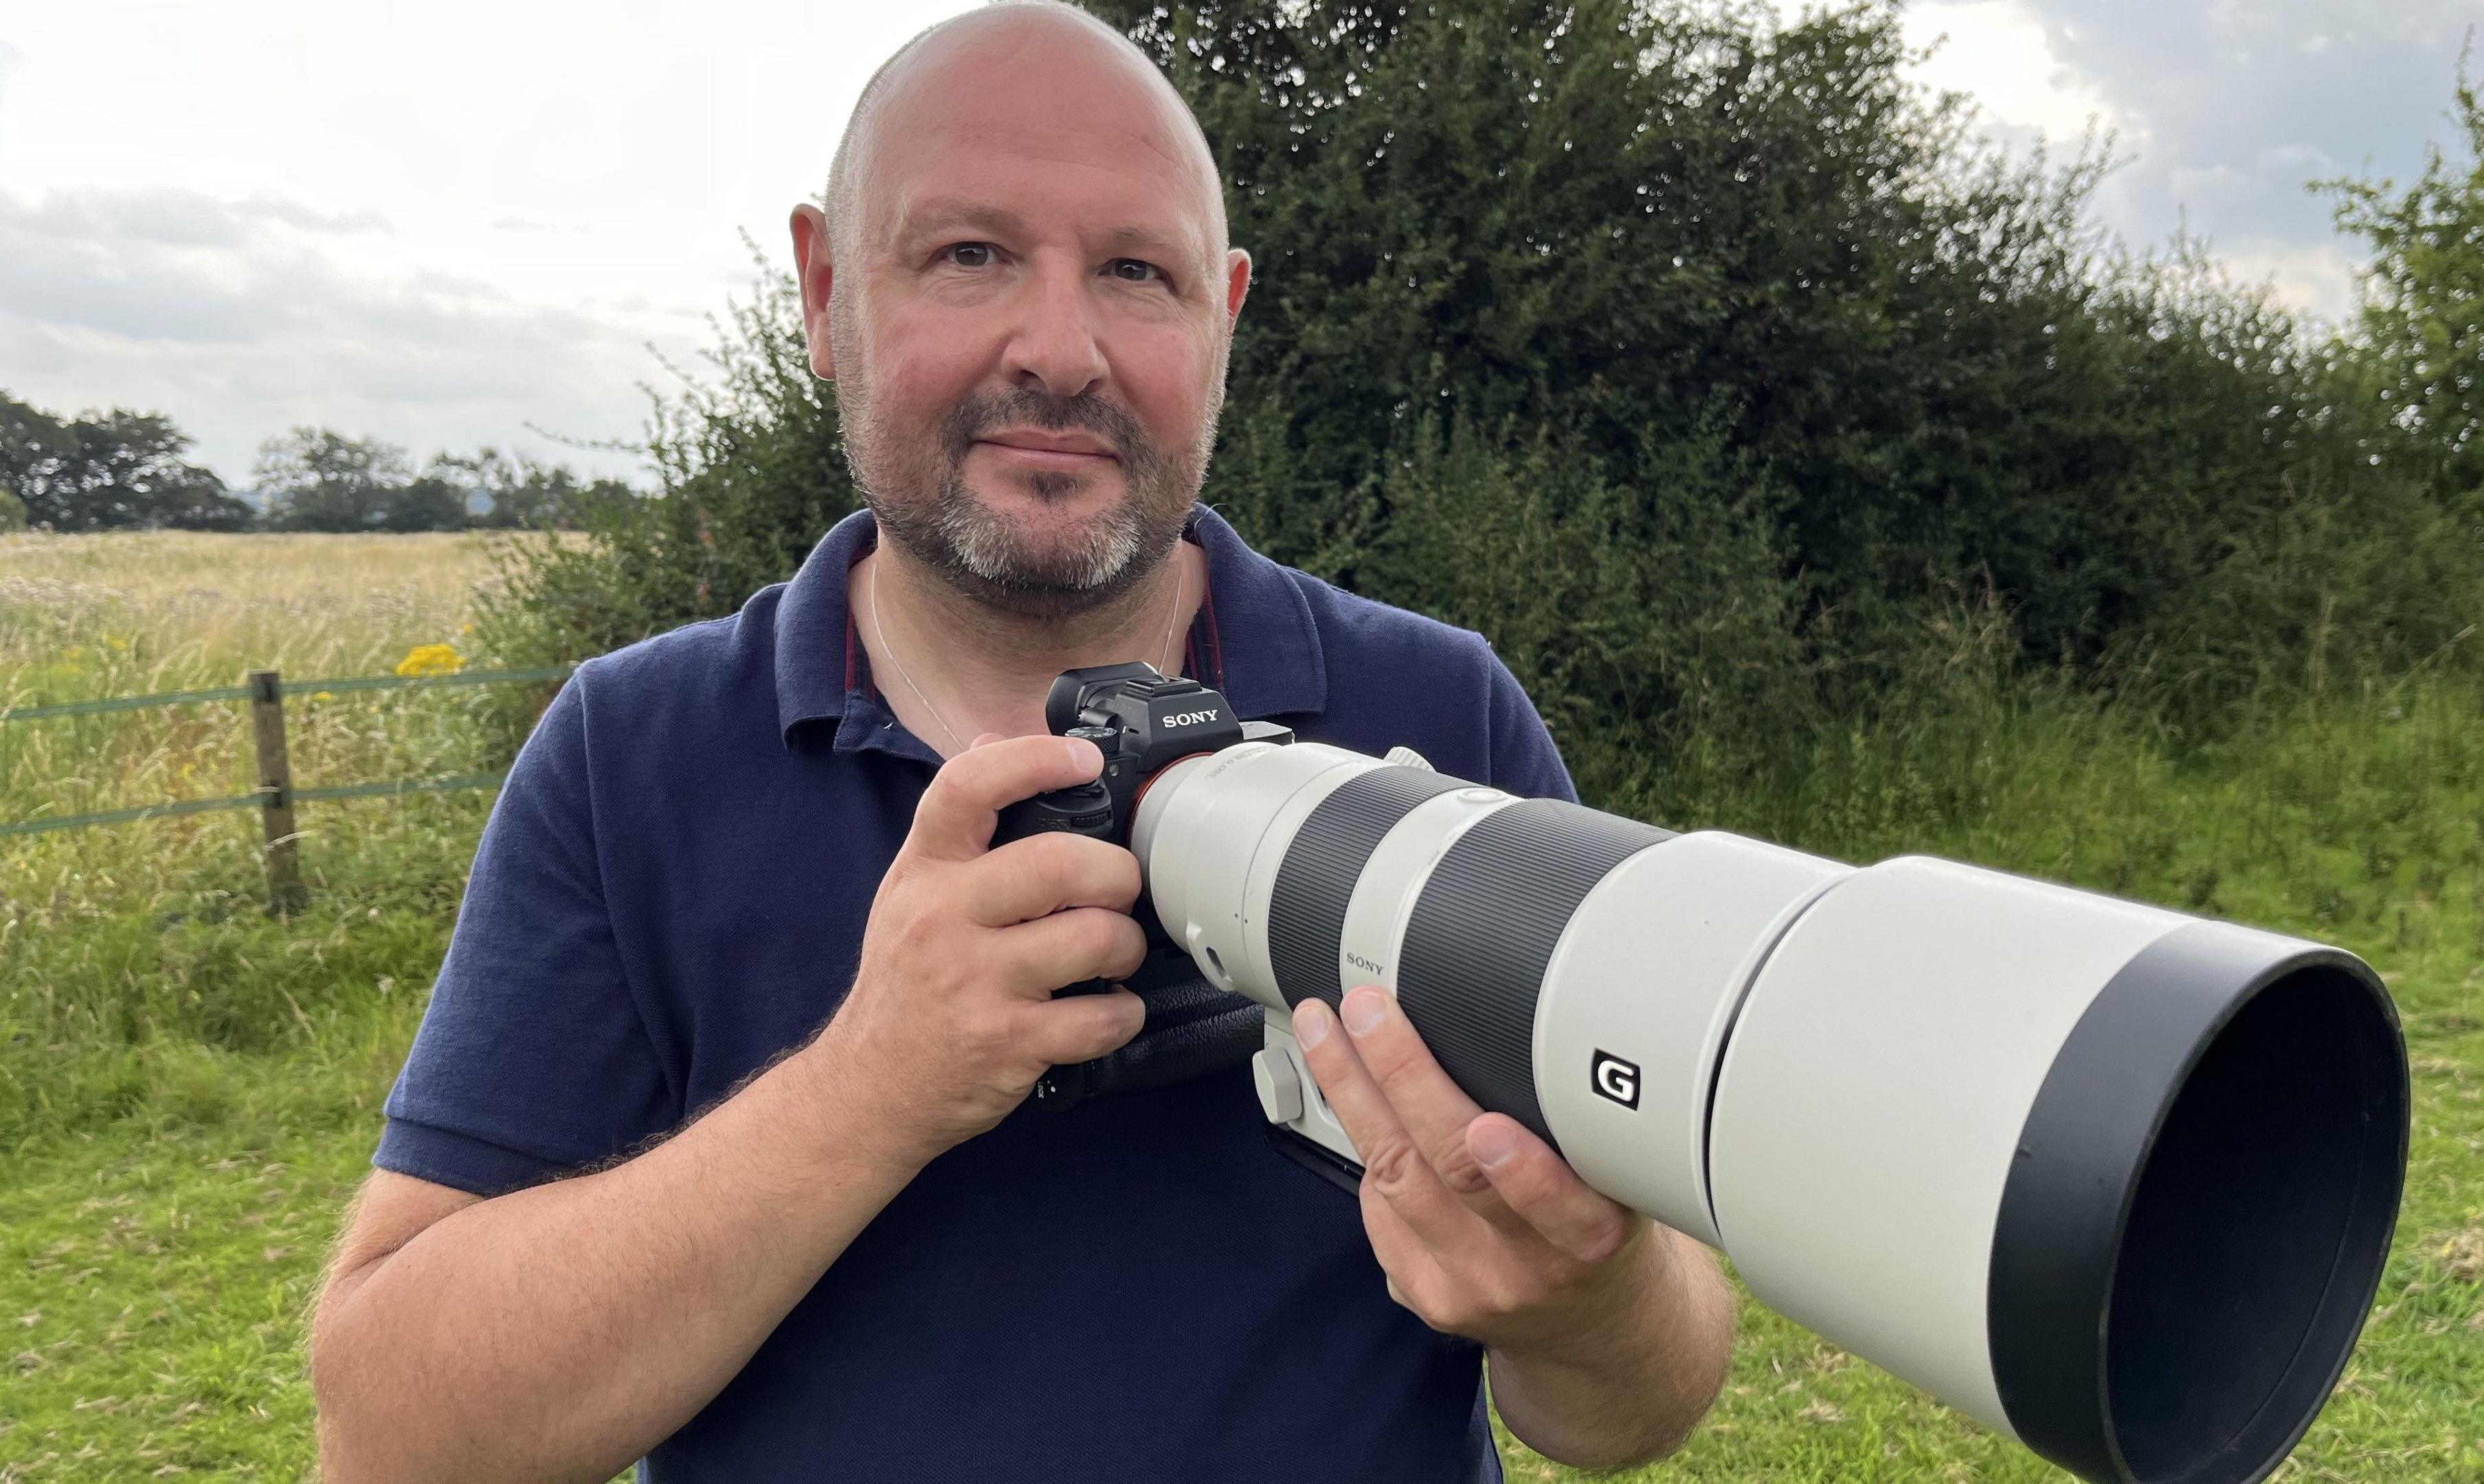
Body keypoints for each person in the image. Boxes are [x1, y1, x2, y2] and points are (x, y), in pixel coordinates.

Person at [308, 4, 1736, 1479]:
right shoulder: (633, 754)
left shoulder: (1440, 720)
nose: (1062, 351)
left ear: (1223, 316)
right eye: (970, 254)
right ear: (822, 292)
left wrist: (1586, 1296)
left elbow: (1638, 1407)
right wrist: (870, 1085)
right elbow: (396, 1436)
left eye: (1138, 271)